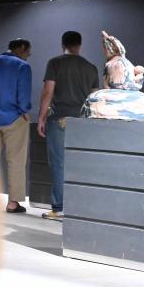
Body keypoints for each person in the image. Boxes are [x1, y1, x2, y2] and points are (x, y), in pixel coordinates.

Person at [37, 30, 98, 221]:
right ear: (80, 45)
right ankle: (80, 208)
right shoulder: (91, 67)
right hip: (83, 122)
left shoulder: (55, 63)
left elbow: (48, 92)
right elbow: (94, 98)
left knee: (59, 164)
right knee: (82, 164)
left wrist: (41, 118)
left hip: (60, 119)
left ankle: (59, 208)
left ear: (62, 44)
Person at [0, 38, 32, 213]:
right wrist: (25, 110)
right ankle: (12, 203)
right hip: (14, 118)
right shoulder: (22, 66)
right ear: (22, 48)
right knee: (16, 160)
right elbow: (24, 94)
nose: (29, 55)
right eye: (28, 51)